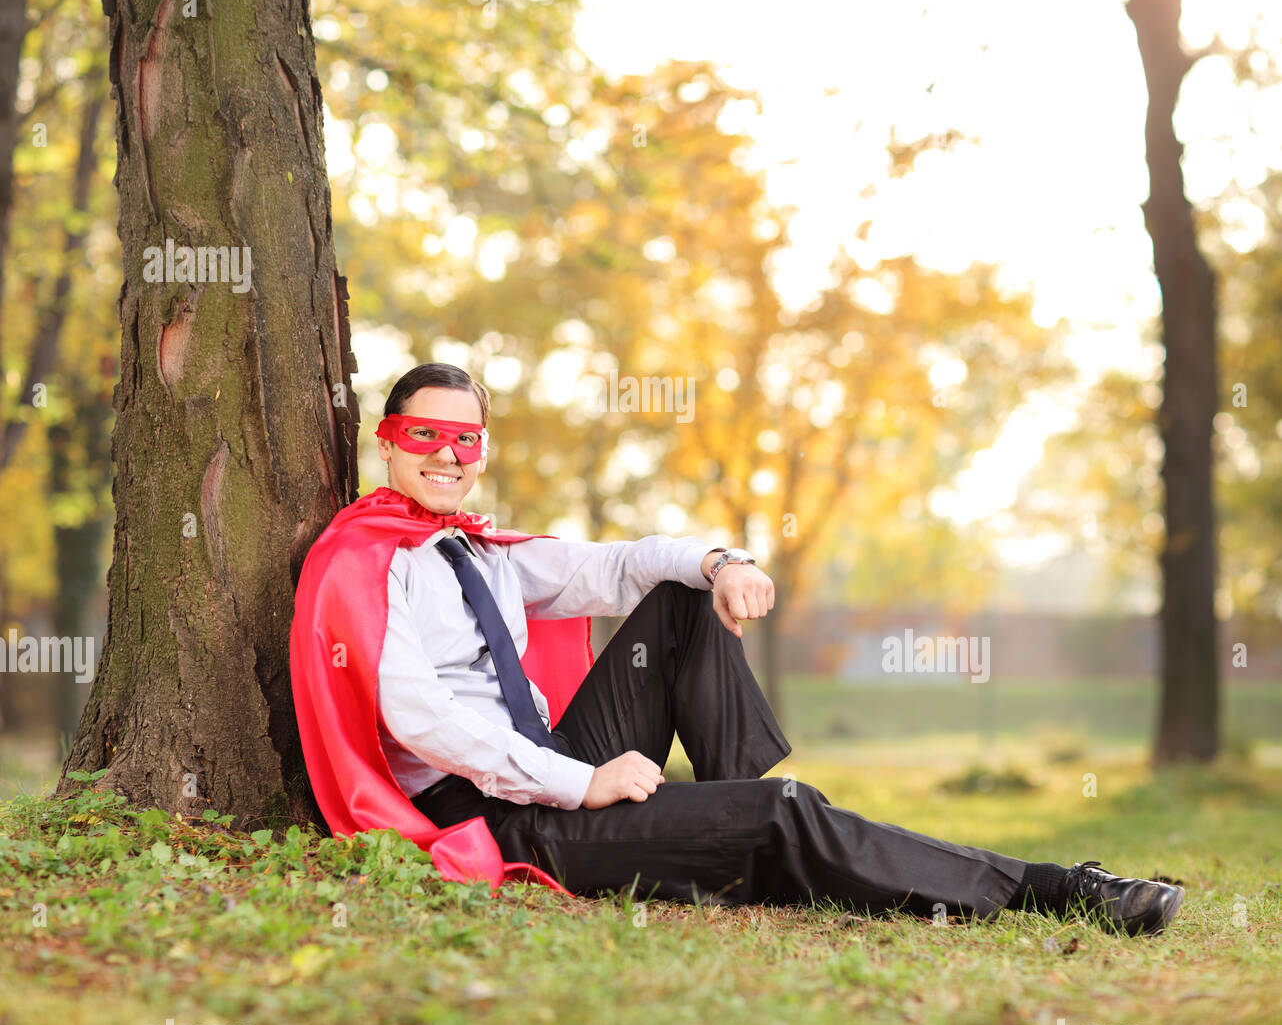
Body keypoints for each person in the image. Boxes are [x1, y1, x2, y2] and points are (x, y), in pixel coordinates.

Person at [333, 361, 1186, 936]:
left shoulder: (485, 551)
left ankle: (734, 820)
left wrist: (725, 561)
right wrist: (581, 783)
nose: (448, 453)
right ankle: (1055, 889)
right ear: (388, 439)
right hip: (494, 811)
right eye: (425, 436)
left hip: (547, 760)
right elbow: (420, 719)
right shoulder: (368, 564)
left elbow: (623, 564)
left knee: (684, 598)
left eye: (466, 439)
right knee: (786, 812)